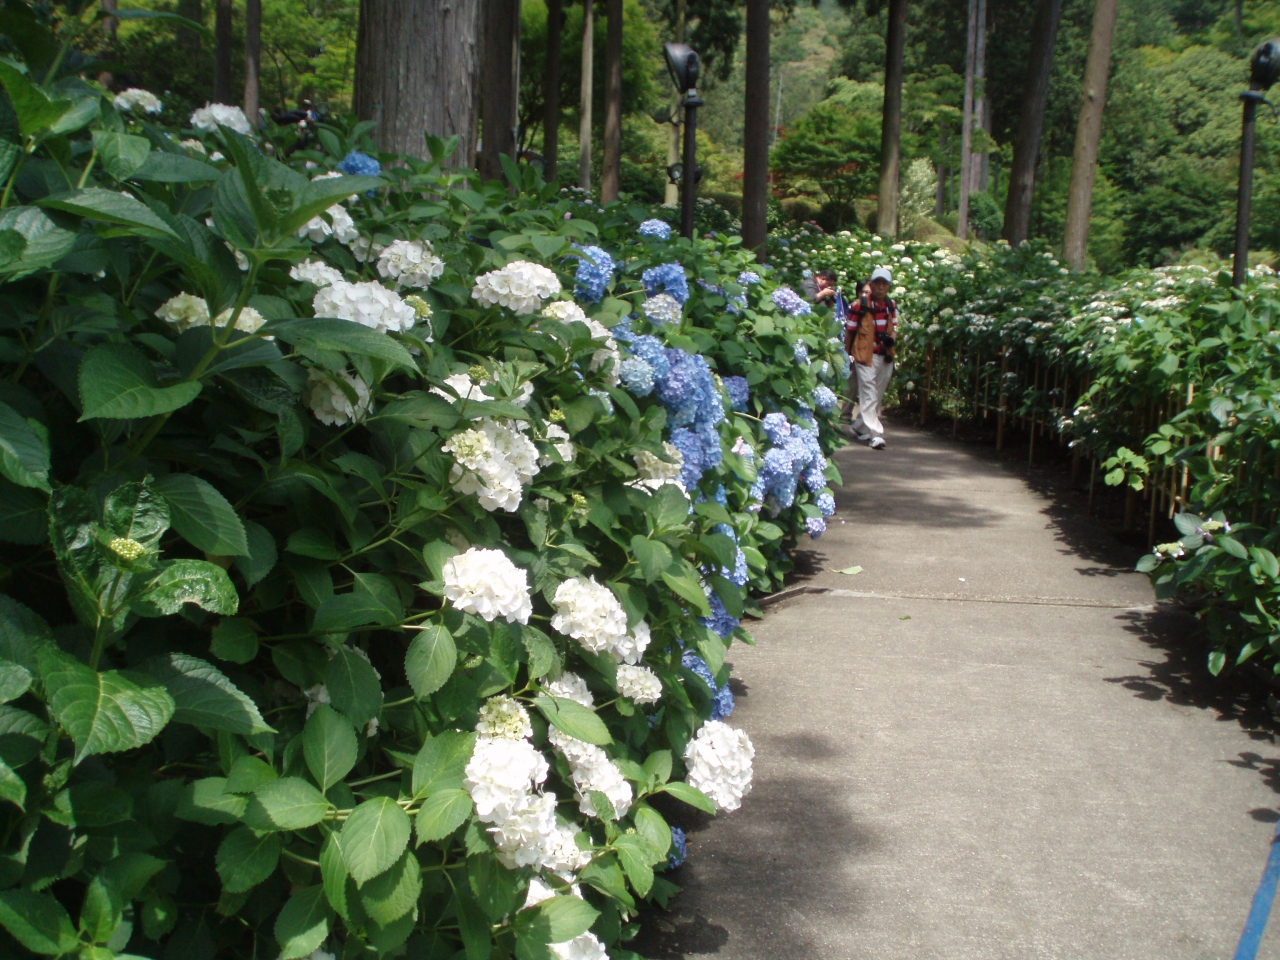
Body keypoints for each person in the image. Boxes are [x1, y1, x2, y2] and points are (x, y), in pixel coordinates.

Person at [841, 266, 897, 450]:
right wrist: (847, 354)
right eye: (877, 283)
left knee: (877, 396)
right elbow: (850, 331)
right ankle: (876, 434)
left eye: (884, 284)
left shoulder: (891, 305)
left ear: (888, 286)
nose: (880, 287)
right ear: (871, 285)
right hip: (864, 355)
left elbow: (894, 328)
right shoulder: (859, 305)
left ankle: (859, 427)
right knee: (869, 394)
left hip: (884, 356)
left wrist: (891, 340)